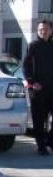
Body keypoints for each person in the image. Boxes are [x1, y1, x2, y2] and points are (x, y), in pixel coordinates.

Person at [22, 19, 53, 155]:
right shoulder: (33, 45)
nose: (43, 31)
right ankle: (41, 146)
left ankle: (50, 141)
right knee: (39, 119)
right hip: (37, 89)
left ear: (51, 31)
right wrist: (32, 82)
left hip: (52, 88)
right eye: (41, 29)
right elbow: (25, 66)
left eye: (45, 29)